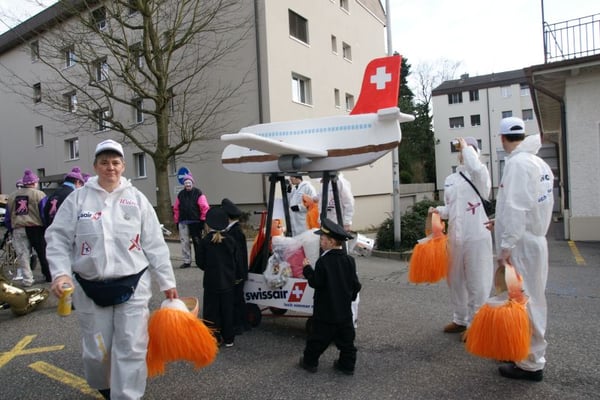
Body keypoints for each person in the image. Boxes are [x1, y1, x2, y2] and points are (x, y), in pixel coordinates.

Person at [45, 139, 178, 400]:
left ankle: (127, 395)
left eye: (115, 162)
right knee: (97, 351)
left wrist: (167, 282)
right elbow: (58, 238)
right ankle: (106, 388)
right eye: (104, 162)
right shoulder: (78, 199)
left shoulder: (136, 199)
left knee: (132, 347)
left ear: (123, 166)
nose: (110, 167)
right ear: (95, 166)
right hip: (89, 285)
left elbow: (154, 243)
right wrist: (60, 274)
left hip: (133, 284)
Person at [487, 117, 554, 382]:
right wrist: (500, 221)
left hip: (521, 245)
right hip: (533, 240)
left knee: (525, 301)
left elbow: (516, 208)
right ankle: (519, 351)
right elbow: (531, 206)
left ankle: (530, 363)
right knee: (527, 299)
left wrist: (505, 248)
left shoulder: (516, 164)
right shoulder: (538, 162)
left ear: (502, 138)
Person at [430, 137, 494, 336]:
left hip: (477, 237)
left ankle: (476, 325)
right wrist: (438, 211)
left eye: (469, 150)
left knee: (477, 282)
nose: (463, 153)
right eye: (462, 150)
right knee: (455, 280)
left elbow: (476, 168)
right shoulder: (451, 179)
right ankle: (460, 319)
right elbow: (452, 208)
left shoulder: (480, 175)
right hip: (455, 238)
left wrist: (467, 147)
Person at [299, 218, 361, 375]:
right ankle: (347, 365)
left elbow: (316, 282)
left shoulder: (323, 261)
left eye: (322, 239)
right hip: (344, 312)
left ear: (331, 242)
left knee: (317, 339)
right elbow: (356, 285)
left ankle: (310, 362)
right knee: (347, 341)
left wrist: (307, 269)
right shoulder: (349, 260)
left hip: (325, 311)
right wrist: (349, 298)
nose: (320, 241)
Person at [317, 172, 360, 328]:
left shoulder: (339, 182)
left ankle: (351, 318)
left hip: (337, 230)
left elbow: (349, 202)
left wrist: (347, 222)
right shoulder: (324, 183)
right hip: (327, 229)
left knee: (343, 271)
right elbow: (320, 200)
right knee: (329, 268)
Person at [197, 206, 238, 348]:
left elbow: (200, 263)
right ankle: (229, 338)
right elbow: (236, 260)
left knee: (211, 311)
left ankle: (213, 338)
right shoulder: (231, 240)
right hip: (228, 281)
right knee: (227, 310)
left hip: (211, 281)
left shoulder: (205, 241)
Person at [5, 169, 50, 285]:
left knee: (23, 255)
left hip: (18, 228)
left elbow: (8, 217)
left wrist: (11, 229)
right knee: (43, 253)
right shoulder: (39, 194)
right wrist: (46, 227)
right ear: (34, 183)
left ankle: (27, 279)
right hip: (36, 228)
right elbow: (44, 213)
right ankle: (48, 276)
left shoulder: (12, 196)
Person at [221, 198, 249, 334]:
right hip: (238, 271)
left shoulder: (235, 232)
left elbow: (238, 255)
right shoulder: (234, 230)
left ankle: (239, 325)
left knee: (236, 299)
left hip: (236, 272)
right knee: (238, 298)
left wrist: (236, 273)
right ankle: (242, 323)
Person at [173, 174, 209, 268]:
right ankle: (186, 261)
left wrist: (203, 220)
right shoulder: (181, 194)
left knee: (197, 242)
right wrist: (177, 221)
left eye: (189, 183)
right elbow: (176, 209)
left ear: (192, 183)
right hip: (183, 222)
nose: (188, 184)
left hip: (195, 222)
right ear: (184, 184)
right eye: (186, 183)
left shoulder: (198, 193)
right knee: (184, 242)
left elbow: (204, 207)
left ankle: (200, 261)